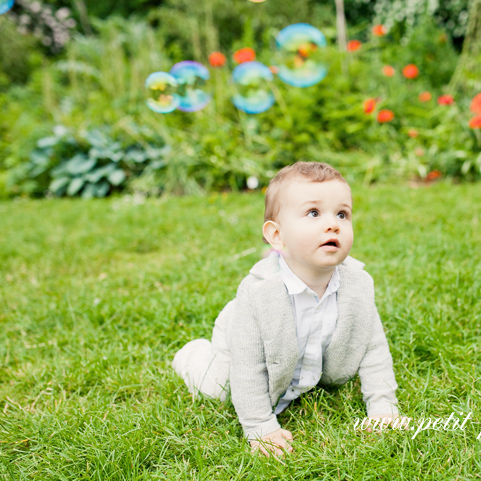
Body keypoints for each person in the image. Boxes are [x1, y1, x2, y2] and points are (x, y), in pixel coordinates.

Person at [172, 161, 401, 457]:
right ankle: (191, 355)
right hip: (240, 349)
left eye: (342, 214)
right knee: (219, 388)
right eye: (314, 213)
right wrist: (260, 427)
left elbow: (373, 347)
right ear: (277, 236)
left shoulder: (358, 284)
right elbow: (248, 367)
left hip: (299, 359)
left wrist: (383, 407)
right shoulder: (257, 294)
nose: (333, 224)